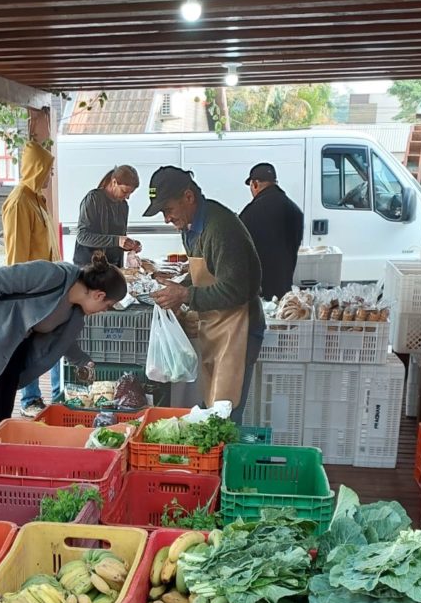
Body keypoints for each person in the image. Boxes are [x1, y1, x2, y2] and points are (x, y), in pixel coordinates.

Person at [0, 253, 126, 443]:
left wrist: (82, 361)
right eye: (108, 305)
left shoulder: (75, 310)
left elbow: (63, 339)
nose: (104, 311)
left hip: (9, 352)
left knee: (2, 421)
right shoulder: (53, 275)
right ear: (99, 295)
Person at [143, 166, 264, 424]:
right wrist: (177, 288)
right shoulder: (191, 228)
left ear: (188, 197)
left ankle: (225, 462)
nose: (166, 218)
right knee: (212, 408)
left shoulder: (220, 229)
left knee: (225, 416)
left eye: (168, 209)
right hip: (217, 327)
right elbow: (205, 272)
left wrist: (185, 295)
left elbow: (236, 289)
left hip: (239, 329)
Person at [2, 138, 65, 418]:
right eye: (48, 170)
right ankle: (29, 399)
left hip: (49, 288)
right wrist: (20, 296)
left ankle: (59, 395)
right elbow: (16, 256)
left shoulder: (37, 199)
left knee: (51, 342)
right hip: (30, 291)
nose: (50, 176)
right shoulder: (18, 202)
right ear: (35, 168)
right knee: (29, 344)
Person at [238, 162, 305, 301]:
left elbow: (237, 250)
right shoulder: (295, 210)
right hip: (284, 289)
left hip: (258, 291)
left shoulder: (250, 213)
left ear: (255, 184)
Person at [74, 165, 142, 268]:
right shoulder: (93, 199)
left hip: (112, 268)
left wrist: (130, 245)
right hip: (90, 269)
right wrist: (117, 240)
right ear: (114, 182)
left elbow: (117, 240)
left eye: (130, 193)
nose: (127, 197)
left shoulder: (123, 206)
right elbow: (82, 236)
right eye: (124, 191)